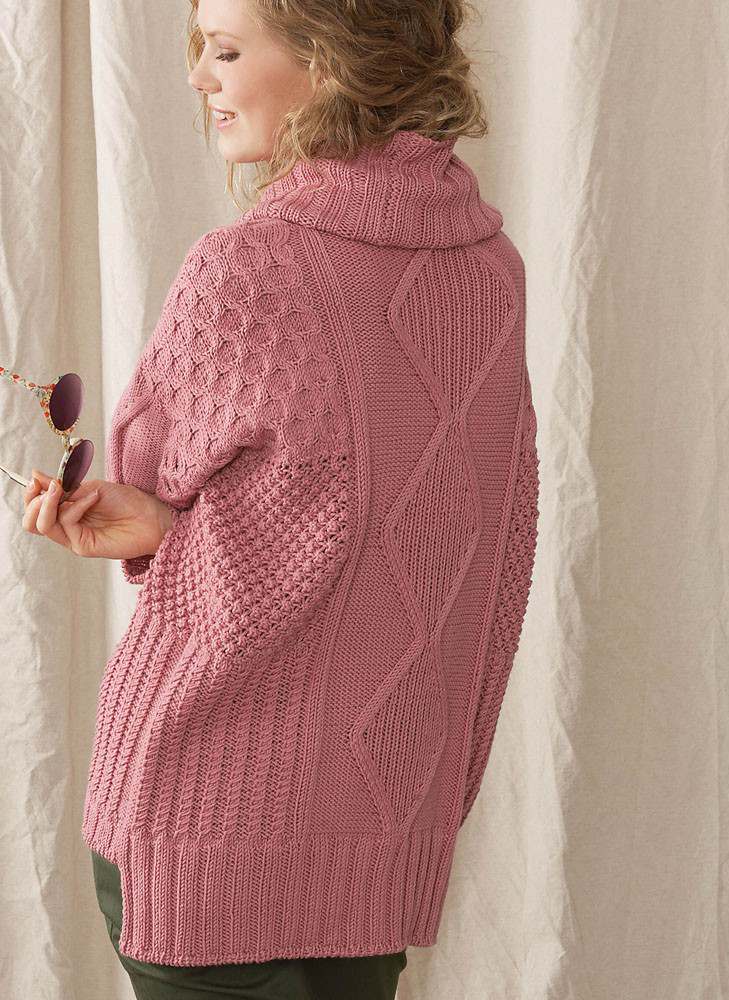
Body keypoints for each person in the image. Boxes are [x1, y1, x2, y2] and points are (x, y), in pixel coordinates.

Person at [22, 0, 540, 997]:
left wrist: (153, 516)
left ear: (331, 61)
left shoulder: (248, 267)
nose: (197, 77)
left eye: (224, 50)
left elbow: (152, 456)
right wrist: (167, 529)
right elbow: (464, 539)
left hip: (207, 817)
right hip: (384, 825)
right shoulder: (491, 273)